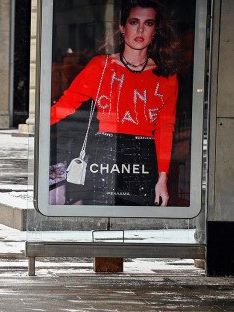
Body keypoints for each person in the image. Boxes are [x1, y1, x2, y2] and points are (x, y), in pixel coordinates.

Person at [50, 0, 179, 207]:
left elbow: (165, 128)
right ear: (122, 27)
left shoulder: (165, 76)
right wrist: (36, 132)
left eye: (148, 24)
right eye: (133, 22)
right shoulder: (100, 66)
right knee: (100, 221)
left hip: (143, 159)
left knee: (136, 223)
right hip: (105, 153)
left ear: (155, 30)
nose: (140, 29)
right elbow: (67, 104)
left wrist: (162, 178)